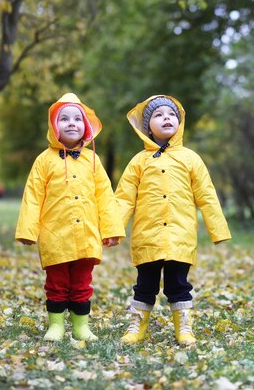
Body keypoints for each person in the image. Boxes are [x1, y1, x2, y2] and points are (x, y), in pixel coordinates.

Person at [116, 95, 231, 346]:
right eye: (158, 115)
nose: (166, 118)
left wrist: (218, 230)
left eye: (171, 114)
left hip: (180, 235)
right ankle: (138, 325)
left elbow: (206, 195)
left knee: (178, 284)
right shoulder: (139, 161)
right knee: (145, 284)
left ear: (179, 122)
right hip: (147, 235)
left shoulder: (190, 158)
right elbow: (124, 197)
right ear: (148, 127)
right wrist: (114, 228)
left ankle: (184, 326)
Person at [15, 93, 125, 342]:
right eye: (64, 119)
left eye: (77, 119)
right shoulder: (44, 161)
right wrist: (27, 231)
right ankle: (56, 325)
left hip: (87, 234)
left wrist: (111, 229)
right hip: (55, 234)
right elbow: (33, 196)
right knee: (56, 282)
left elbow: (105, 196)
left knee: (82, 283)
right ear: (54, 128)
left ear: (86, 126)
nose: (72, 123)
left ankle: (81, 326)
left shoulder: (93, 160)